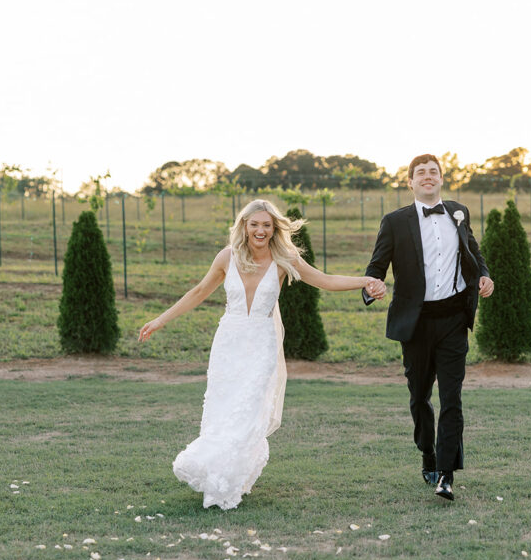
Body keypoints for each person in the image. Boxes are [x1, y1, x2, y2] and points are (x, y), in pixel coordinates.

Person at [139, 199, 383, 510]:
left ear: (274, 229)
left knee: (248, 411)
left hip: (261, 343)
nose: (260, 230)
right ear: (244, 226)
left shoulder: (283, 258)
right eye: (254, 224)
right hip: (229, 342)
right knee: (223, 410)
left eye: (267, 225)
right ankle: (217, 474)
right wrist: (160, 320)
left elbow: (323, 280)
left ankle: (227, 484)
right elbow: (199, 292)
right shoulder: (227, 257)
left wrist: (366, 281)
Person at [362, 153, 494, 501]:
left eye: (433, 172)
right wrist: (372, 285)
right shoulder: (394, 221)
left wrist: (483, 275)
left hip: (453, 320)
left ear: (441, 178)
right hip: (416, 324)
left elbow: (473, 252)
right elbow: (377, 265)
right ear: (410, 182)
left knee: (452, 398)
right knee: (420, 396)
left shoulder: (458, 212)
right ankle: (428, 455)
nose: (428, 176)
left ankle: (447, 476)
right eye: (420, 173)